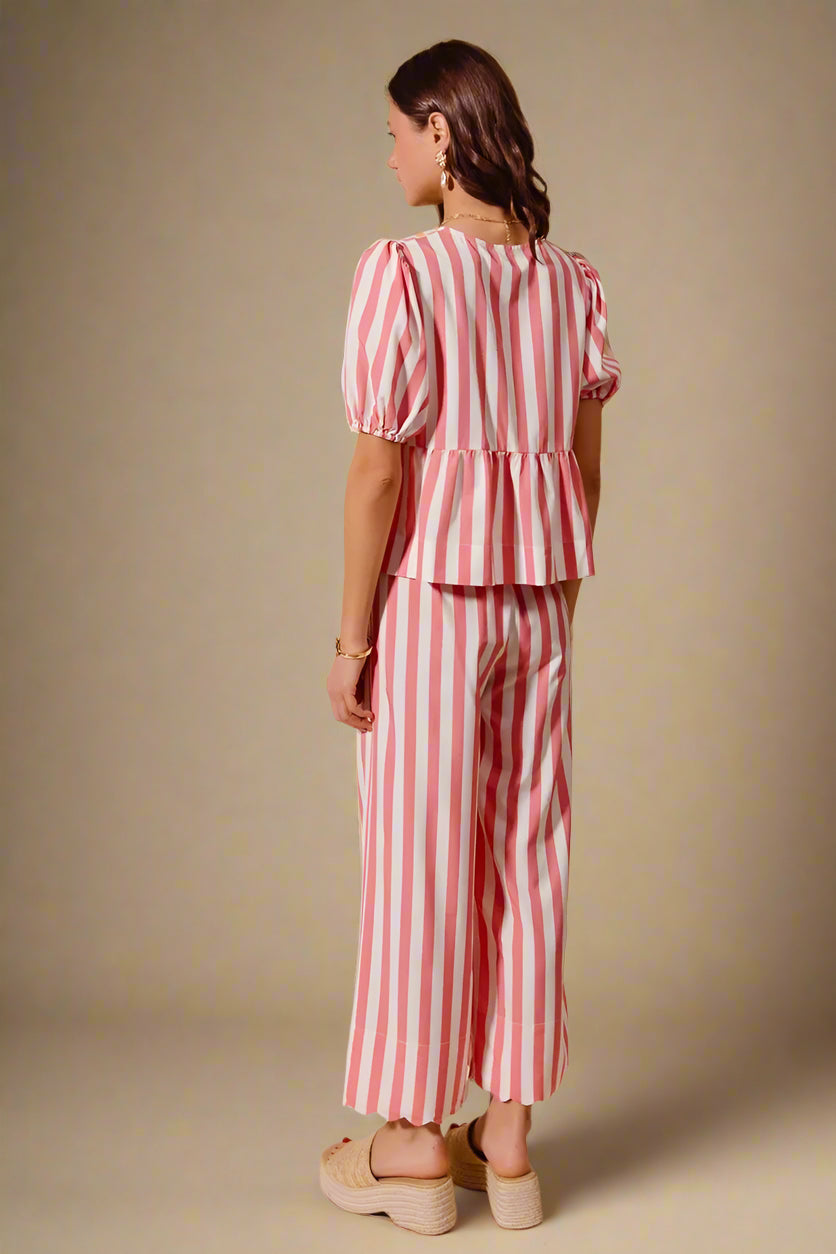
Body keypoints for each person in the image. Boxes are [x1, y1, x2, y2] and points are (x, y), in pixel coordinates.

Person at [320, 39, 622, 1234]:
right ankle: (505, 1140)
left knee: (420, 865)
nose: (387, 150)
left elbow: (374, 480)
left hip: (435, 603)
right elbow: (585, 470)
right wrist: (547, 590)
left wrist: (353, 640)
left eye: (396, 130)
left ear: (442, 136)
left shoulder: (404, 273)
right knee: (525, 857)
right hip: (539, 601)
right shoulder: (572, 284)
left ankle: (405, 1147)